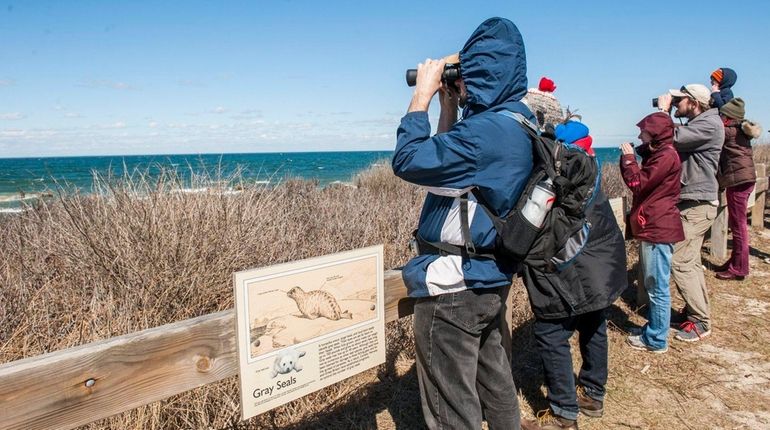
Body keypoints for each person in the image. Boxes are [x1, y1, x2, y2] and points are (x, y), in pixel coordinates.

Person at [392, 17, 534, 429]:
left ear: (481, 71)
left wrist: (421, 97)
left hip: (454, 288)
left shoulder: (486, 132)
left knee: (452, 406)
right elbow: (451, 165)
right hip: (489, 277)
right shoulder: (515, 122)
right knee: (495, 382)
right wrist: (450, 106)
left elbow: (410, 160)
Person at [520, 118, 626, 430]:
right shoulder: (588, 167)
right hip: (601, 265)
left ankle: (564, 414)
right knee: (594, 323)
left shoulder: (562, 171)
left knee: (552, 334)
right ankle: (592, 393)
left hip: (576, 267)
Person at [656, 84, 724, 342]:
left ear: (694, 102)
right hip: (694, 201)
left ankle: (700, 321)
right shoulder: (702, 122)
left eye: (679, 100)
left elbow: (671, 137)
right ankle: (696, 312)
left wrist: (664, 114)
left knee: (681, 260)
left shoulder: (708, 125)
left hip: (698, 203)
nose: (675, 104)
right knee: (691, 260)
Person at [619, 112, 684, 354]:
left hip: (658, 227)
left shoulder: (666, 156)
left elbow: (638, 183)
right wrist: (643, 151)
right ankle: (654, 328)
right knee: (653, 282)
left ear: (655, 133)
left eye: (644, 132)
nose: (639, 135)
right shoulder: (664, 153)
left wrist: (628, 159)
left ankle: (656, 339)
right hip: (657, 224)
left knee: (656, 285)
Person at [714, 98, 764, 280]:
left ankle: (739, 268)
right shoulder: (741, 130)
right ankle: (735, 262)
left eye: (722, 115)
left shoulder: (728, 132)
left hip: (738, 181)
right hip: (746, 179)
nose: (719, 117)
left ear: (728, 117)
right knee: (738, 225)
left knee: (738, 226)